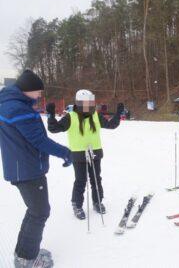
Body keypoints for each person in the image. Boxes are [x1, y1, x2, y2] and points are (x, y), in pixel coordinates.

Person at [0, 70, 72, 268]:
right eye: (38, 92)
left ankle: (24, 253)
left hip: (20, 166)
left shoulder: (9, 104)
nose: (40, 95)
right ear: (27, 90)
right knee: (40, 212)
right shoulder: (19, 110)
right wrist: (66, 152)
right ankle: (27, 259)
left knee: (35, 210)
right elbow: (39, 140)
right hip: (27, 169)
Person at [46, 90, 123, 220]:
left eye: (91, 102)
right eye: (87, 102)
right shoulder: (71, 117)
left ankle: (97, 201)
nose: (90, 105)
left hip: (95, 153)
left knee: (96, 179)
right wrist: (51, 115)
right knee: (81, 180)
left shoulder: (96, 116)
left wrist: (118, 113)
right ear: (80, 103)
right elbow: (54, 129)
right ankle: (77, 204)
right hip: (78, 154)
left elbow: (111, 125)